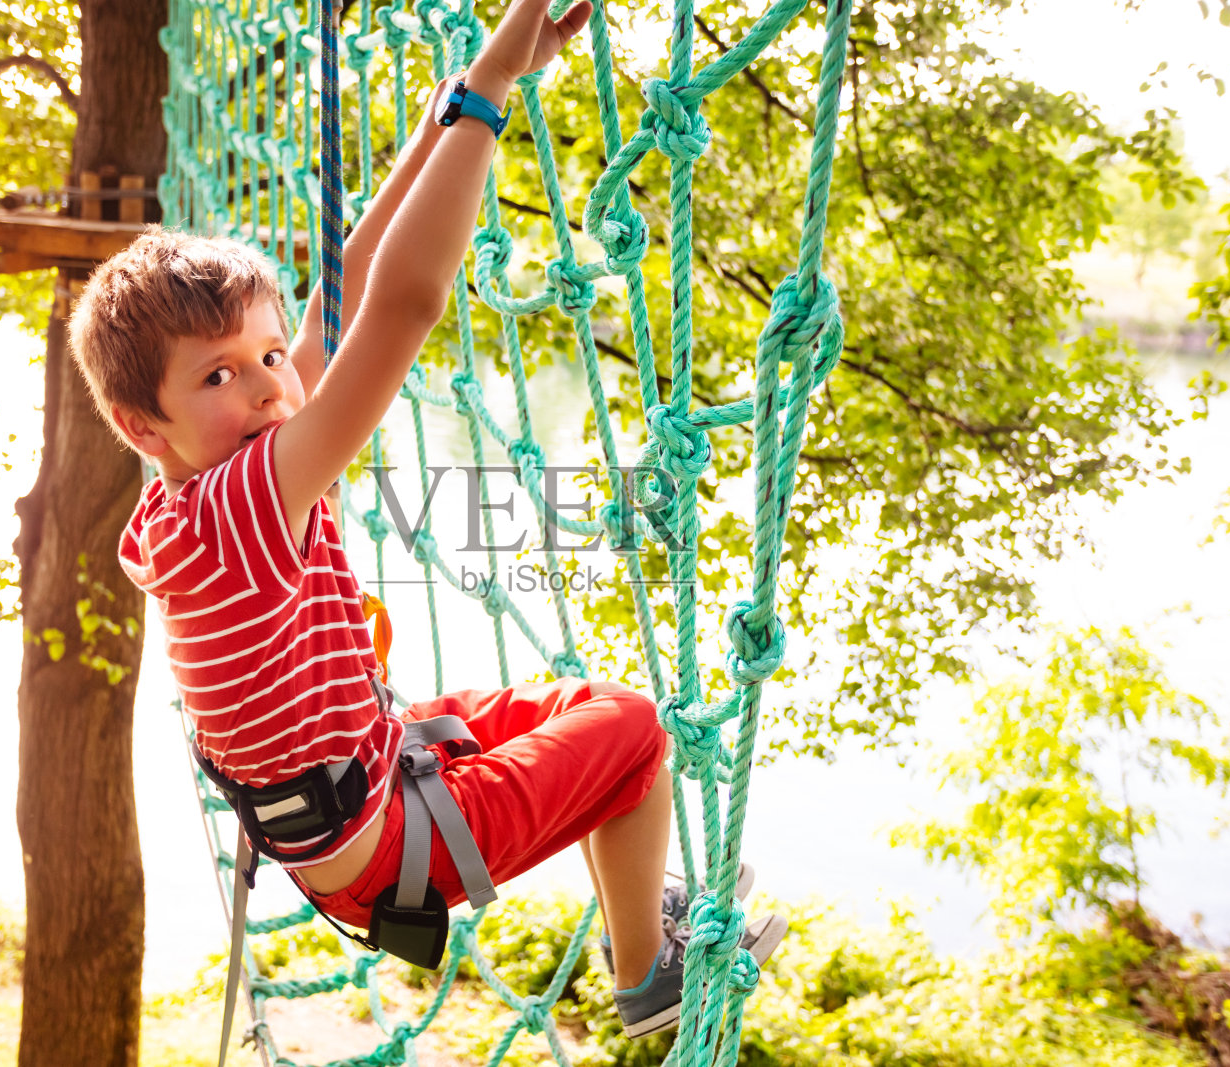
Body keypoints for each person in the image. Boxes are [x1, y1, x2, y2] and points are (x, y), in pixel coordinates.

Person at [69, 0, 783, 1037]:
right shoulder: (244, 499)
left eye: (271, 354)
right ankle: (648, 971)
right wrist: (488, 95)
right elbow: (400, 306)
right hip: (384, 845)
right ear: (147, 424)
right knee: (632, 731)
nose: (271, 386)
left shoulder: (195, 482)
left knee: (581, 704)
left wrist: (451, 106)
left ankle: (644, 914)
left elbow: (347, 284)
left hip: (356, 780)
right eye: (220, 373)